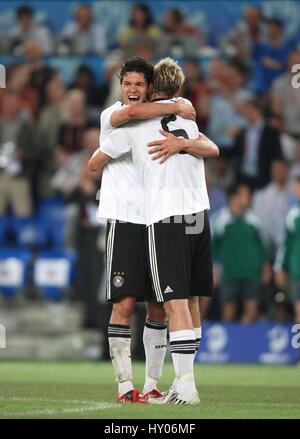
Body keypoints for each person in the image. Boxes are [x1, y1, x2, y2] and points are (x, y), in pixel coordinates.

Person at [89, 58, 219, 405]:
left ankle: (153, 385)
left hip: (158, 219)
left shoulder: (169, 118)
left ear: (149, 87)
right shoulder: (115, 117)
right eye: (126, 83)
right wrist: (178, 104)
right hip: (127, 218)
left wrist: (181, 141)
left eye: (139, 84)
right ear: (120, 85)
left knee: (162, 304)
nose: (132, 90)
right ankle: (124, 386)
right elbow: (94, 162)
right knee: (126, 302)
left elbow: (211, 147)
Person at [212, 184, 271, 322]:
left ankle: (243, 342)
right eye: (244, 194)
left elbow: (263, 246)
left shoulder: (254, 220)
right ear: (234, 197)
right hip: (229, 272)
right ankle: (230, 343)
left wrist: (266, 267)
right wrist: (215, 268)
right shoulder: (221, 219)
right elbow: (212, 247)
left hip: (251, 272)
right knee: (228, 312)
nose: (248, 198)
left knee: (251, 310)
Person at [275, 175, 300, 323]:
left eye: (297, 187)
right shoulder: (293, 214)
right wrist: (280, 267)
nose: (294, 190)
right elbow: (286, 243)